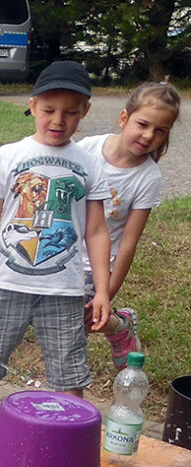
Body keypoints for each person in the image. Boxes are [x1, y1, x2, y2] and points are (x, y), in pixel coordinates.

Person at [0, 60, 113, 448]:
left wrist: (102, 290)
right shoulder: (8, 156)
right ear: (33, 105)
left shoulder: (90, 163)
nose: (58, 120)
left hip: (64, 287)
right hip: (8, 280)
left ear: (85, 112)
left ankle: (72, 434)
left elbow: (96, 230)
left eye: (70, 111)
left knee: (69, 366)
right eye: (49, 110)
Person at [77, 82, 181, 369]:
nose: (149, 135)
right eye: (143, 124)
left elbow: (129, 243)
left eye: (160, 130)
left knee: (76, 322)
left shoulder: (148, 178)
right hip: (62, 253)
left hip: (97, 265)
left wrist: (106, 293)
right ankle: (118, 325)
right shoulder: (88, 149)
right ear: (124, 119)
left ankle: (116, 327)